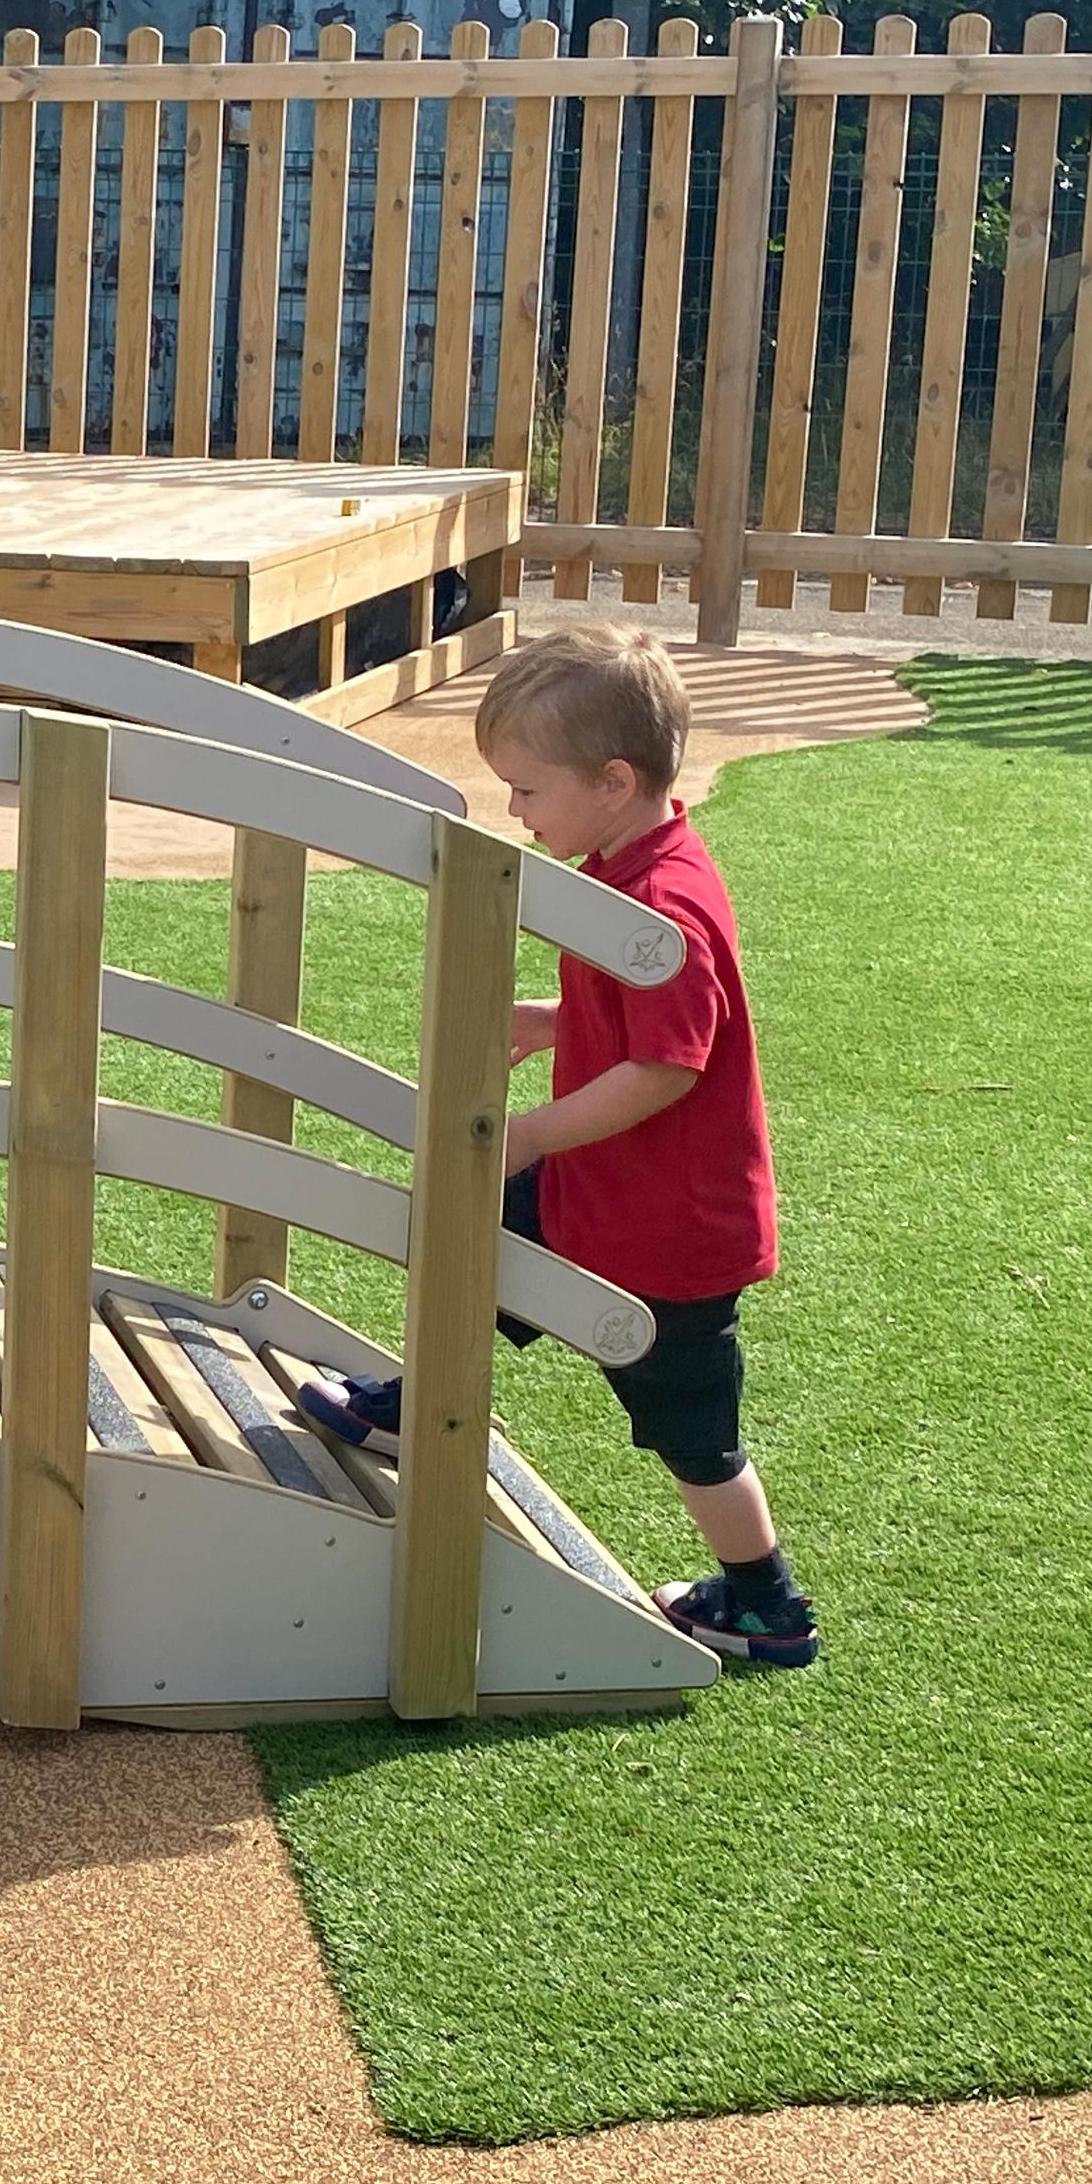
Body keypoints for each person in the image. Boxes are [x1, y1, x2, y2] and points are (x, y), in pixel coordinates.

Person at [294, 626, 818, 1669]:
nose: (513, 810)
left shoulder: (662, 905)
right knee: (472, 1244)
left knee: (691, 1433)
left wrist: (530, 1131)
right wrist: (551, 1020)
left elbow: (669, 1066)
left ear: (613, 782)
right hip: (600, 1190)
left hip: (669, 1233)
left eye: (527, 790)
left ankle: (767, 1603)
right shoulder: (627, 867)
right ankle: (415, 1406)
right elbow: (639, 1022)